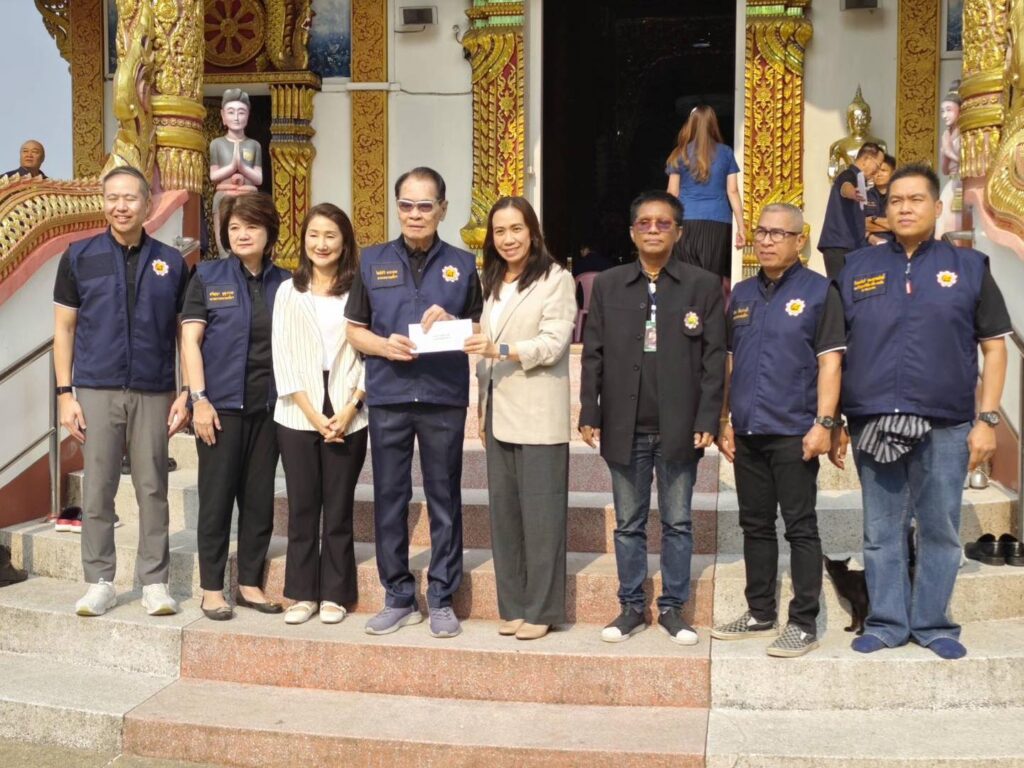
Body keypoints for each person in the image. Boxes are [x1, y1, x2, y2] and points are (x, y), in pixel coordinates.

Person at [833, 164, 1011, 660]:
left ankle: (933, 623)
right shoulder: (857, 267)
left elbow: (995, 348)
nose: (905, 208)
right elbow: (834, 351)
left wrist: (987, 420)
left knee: (939, 529)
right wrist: (835, 420)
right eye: (895, 200)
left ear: (936, 207)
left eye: (915, 199)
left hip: (946, 422)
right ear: (884, 211)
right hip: (875, 419)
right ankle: (887, 622)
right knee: (881, 531)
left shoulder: (969, 267)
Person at [580, 190, 725, 645]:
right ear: (632, 232)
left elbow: (714, 358)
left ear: (679, 232)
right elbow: (593, 353)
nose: (654, 230)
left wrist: (709, 417)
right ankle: (630, 606)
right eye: (644, 223)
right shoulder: (609, 285)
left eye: (664, 223)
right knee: (629, 523)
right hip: (625, 426)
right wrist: (589, 410)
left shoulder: (703, 285)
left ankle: (673, 608)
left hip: (680, 427)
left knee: (678, 522)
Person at [345, 167, 483, 639]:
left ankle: (442, 597)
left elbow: (480, 328)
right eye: (406, 205)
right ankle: (399, 596)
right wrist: (384, 346)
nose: (415, 214)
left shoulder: (463, 264)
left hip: (443, 396)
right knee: (390, 497)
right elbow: (354, 329)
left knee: (444, 497)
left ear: (442, 209)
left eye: (425, 205)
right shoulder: (372, 261)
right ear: (397, 207)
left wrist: (454, 321)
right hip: (390, 394)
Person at [53, 166, 190, 617]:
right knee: (98, 489)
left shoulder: (171, 262)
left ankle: (154, 582)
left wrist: (186, 392)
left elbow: (185, 334)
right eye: (113, 197)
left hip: (153, 389)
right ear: (103, 201)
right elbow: (64, 329)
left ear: (148, 204)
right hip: (96, 387)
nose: (121, 206)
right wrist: (65, 394)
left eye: (130, 198)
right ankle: (100, 581)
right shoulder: (79, 256)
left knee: (153, 488)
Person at [712, 203, 846, 658]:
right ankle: (759, 612)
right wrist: (725, 419)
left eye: (778, 234)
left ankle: (804, 622)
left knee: (800, 526)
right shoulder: (742, 294)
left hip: (795, 429)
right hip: (749, 429)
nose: (766, 241)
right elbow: (730, 361)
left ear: (800, 240)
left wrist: (825, 424)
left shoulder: (819, 291)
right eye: (761, 232)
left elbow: (831, 362)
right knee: (755, 525)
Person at [464, 197, 576, 641]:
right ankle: (513, 605)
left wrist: (502, 350)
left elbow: (553, 343)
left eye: (516, 229)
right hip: (498, 409)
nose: (508, 239)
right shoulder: (493, 281)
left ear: (532, 231)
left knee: (542, 516)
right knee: (506, 516)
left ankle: (543, 609)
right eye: (499, 231)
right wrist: (481, 402)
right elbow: (484, 343)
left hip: (538, 411)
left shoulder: (555, 278)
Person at [181, 193, 289, 620]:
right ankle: (211, 588)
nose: (242, 235)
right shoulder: (207, 276)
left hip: (269, 407)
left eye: (252, 227)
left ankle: (249, 583)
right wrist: (198, 399)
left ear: (269, 232)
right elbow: (190, 341)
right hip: (220, 408)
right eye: (234, 228)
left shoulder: (287, 283)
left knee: (259, 500)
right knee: (217, 498)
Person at [273, 204, 368, 625]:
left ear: (344, 241)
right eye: (314, 234)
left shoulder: (360, 289)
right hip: (298, 411)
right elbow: (282, 355)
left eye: (331, 235)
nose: (321, 243)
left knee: (339, 507)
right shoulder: (288, 291)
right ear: (303, 240)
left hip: (349, 408)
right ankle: (301, 593)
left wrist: (351, 407)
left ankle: (335, 593)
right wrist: (314, 415)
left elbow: (370, 352)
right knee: (303, 506)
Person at [665, 105, 746, 294]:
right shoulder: (726, 152)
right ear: (713, 124)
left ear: (690, 124)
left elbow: (672, 193)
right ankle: (708, 312)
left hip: (686, 220)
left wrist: (666, 224)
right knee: (711, 279)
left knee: (685, 278)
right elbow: (733, 191)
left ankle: (688, 312)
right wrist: (741, 227)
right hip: (717, 221)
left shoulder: (679, 153)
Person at [817, 142, 884, 279]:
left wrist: (871, 238)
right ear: (866, 159)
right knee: (841, 288)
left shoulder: (861, 181)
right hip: (839, 245)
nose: (877, 172)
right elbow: (845, 187)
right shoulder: (849, 174)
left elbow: (857, 221)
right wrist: (853, 193)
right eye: (877, 166)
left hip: (853, 246)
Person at [209, 89, 263, 254]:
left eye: (241, 112)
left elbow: (259, 179)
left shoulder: (254, 145)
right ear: (223, 115)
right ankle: (226, 262)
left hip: (248, 195)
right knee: (225, 244)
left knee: (249, 237)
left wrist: (243, 168)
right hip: (224, 195)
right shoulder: (217, 144)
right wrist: (232, 167)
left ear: (248, 115)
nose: (236, 117)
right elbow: (213, 176)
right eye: (231, 112)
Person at [937, 82, 962, 238]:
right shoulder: (946, 135)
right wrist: (944, 152)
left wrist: (948, 151)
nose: (944, 115)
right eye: (942, 111)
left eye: (949, 110)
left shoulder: (965, 133)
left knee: (958, 225)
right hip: (952, 182)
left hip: (964, 182)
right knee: (943, 226)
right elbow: (945, 170)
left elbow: (967, 162)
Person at [865, 153, 896, 245]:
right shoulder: (864, 196)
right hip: (869, 246)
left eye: (883, 170)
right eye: (876, 171)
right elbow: (861, 224)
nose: (878, 174)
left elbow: (900, 224)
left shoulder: (899, 196)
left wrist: (873, 219)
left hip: (895, 244)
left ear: (893, 173)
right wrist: (890, 225)